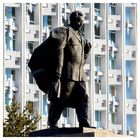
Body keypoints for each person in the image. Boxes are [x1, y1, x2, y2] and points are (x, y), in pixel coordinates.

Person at [47, 11, 92, 128]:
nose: (81, 24)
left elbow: (82, 59)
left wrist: (86, 51)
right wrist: (58, 70)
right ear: (72, 20)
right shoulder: (65, 32)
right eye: (79, 22)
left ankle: (83, 121)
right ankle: (53, 121)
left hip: (80, 74)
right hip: (68, 73)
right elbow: (59, 51)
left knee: (84, 96)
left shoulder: (81, 36)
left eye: (82, 22)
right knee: (62, 97)